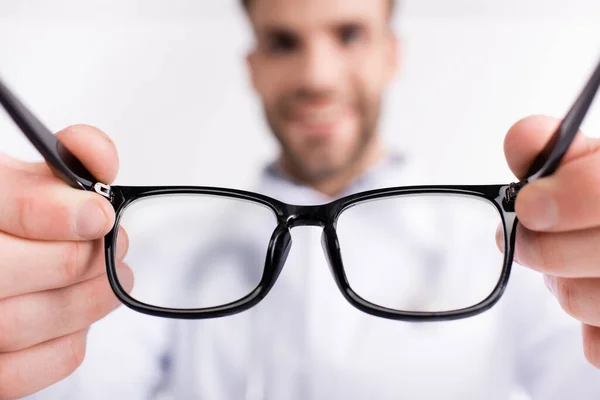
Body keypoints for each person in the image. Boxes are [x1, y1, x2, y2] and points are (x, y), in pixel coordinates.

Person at [2, 0, 600, 398]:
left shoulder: (515, 252)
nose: (316, 75)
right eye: (284, 42)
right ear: (254, 67)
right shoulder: (143, 259)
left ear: (390, 54)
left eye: (347, 34)